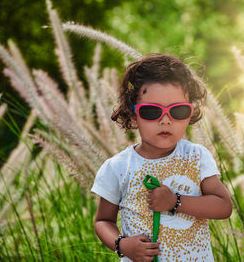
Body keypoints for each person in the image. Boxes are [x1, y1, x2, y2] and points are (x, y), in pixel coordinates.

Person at [91, 54, 232, 261]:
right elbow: (103, 221)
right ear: (132, 116)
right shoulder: (118, 167)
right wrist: (122, 245)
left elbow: (223, 206)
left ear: (190, 114)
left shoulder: (196, 156)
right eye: (151, 112)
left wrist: (175, 201)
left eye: (178, 111)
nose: (166, 120)